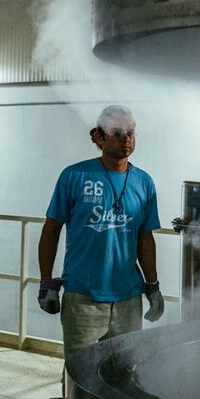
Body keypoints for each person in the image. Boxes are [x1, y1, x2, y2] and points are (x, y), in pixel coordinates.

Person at [37, 105, 164, 367]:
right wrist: (46, 283)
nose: (126, 139)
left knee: (125, 371)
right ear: (98, 137)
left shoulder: (144, 182)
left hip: (128, 298)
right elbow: (51, 229)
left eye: (130, 132)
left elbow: (145, 238)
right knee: (80, 373)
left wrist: (152, 287)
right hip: (83, 298)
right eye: (116, 132)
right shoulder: (74, 176)